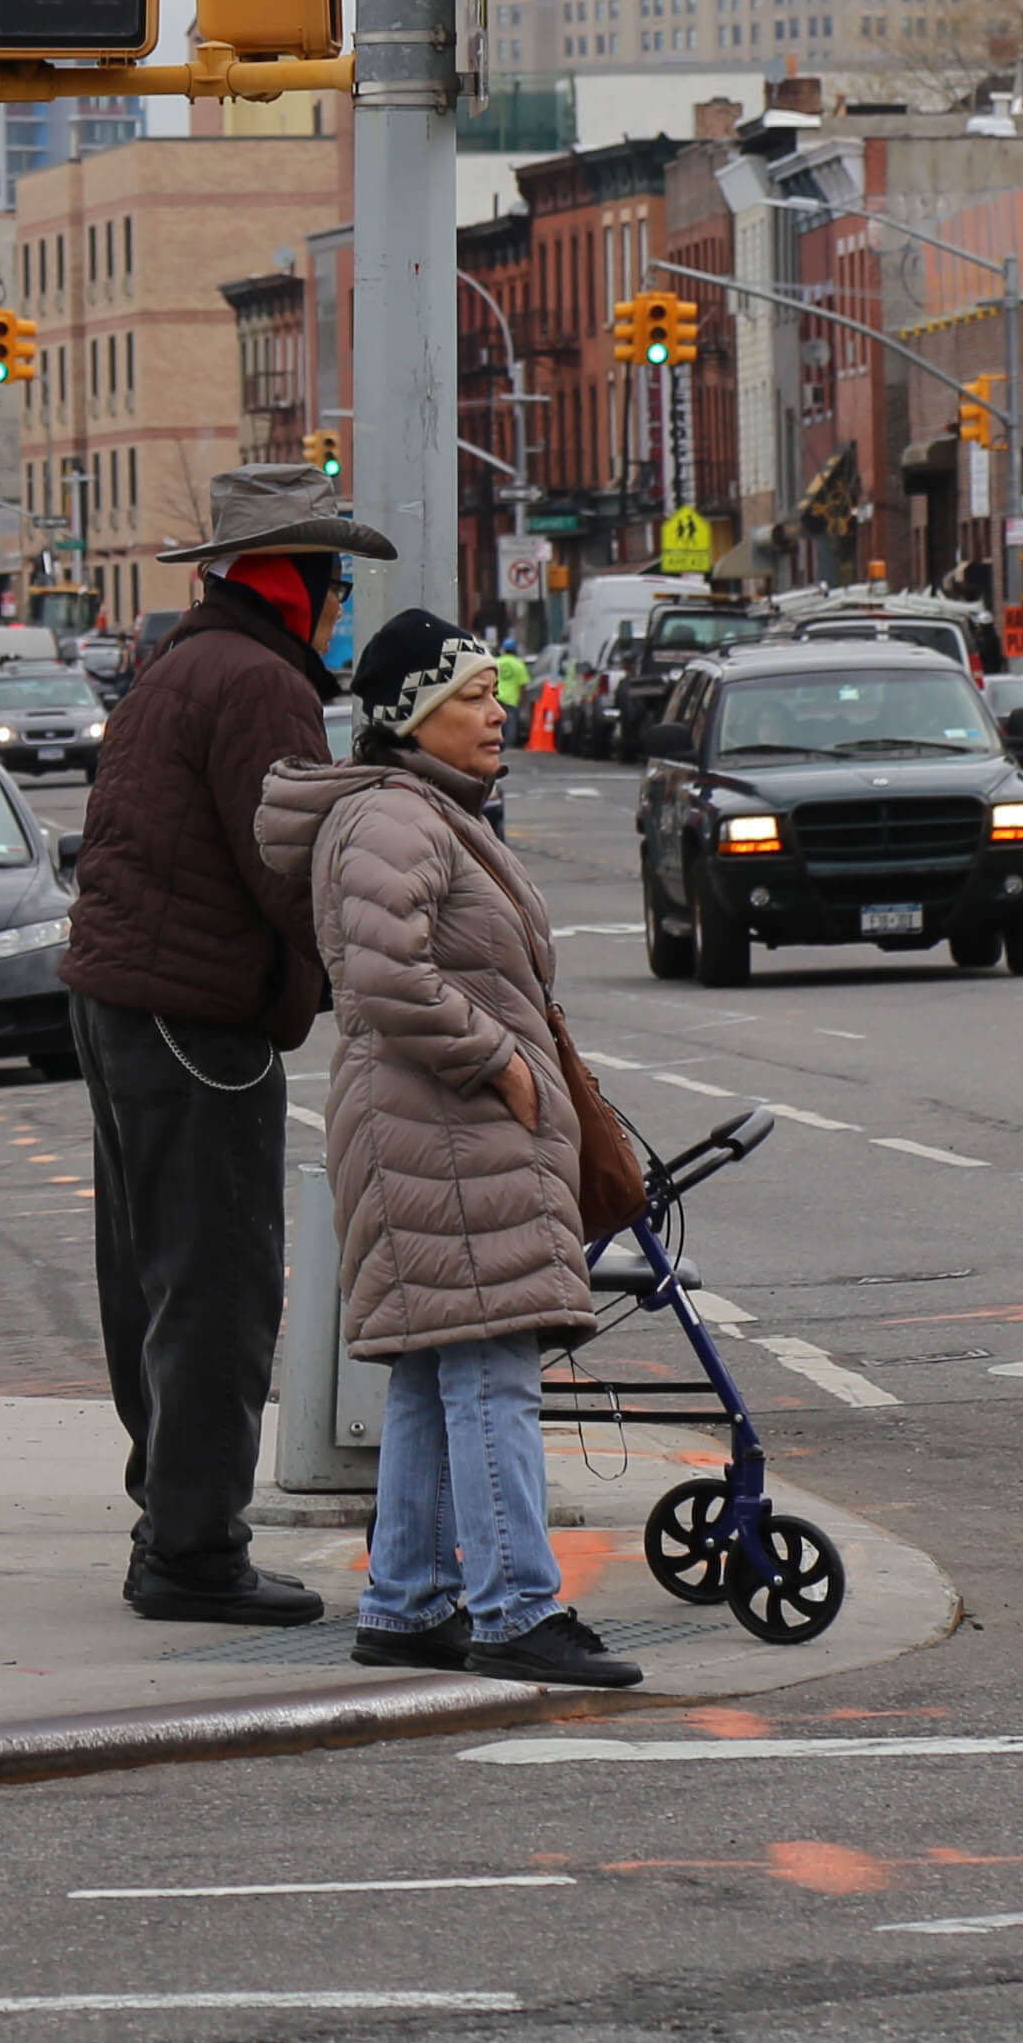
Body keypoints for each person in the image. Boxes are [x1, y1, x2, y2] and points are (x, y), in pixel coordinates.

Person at [267, 609, 644, 1689]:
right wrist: (505, 1066)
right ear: (410, 717)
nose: (498, 711)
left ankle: (408, 1601)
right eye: (471, 697)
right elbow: (386, 979)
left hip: (438, 1125)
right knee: (492, 1371)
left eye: (494, 691)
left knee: (443, 1372)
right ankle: (519, 1606)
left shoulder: (425, 811)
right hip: (441, 1122)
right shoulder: (395, 816)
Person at [59, 462, 394, 1624]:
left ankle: (174, 1516)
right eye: (335, 579)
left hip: (123, 1003)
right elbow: (287, 868)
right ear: (293, 582)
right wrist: (371, 976)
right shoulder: (261, 685)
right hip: (196, 1017)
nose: (342, 603)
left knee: (150, 1277)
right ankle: (194, 1551)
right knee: (219, 1287)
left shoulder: (180, 665)